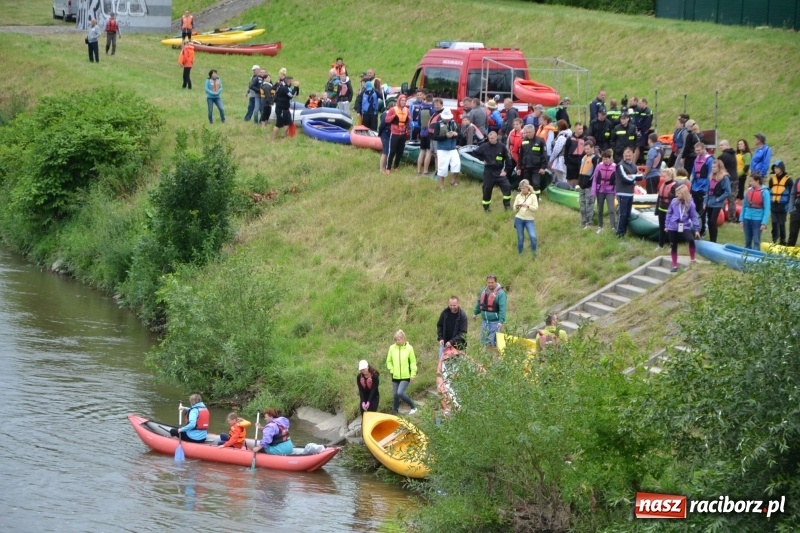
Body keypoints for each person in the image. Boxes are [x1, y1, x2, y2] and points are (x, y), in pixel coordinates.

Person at [473, 131, 514, 211]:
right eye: (489, 138)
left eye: (492, 138)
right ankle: (486, 208)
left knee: (507, 187)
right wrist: (482, 159)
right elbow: (475, 153)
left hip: (499, 171)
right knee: (486, 190)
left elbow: (508, 159)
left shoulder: (502, 147)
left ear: (496, 138)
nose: (490, 140)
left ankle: (507, 205)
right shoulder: (484, 146)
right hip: (488, 171)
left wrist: (506, 171)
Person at [665, 185, 701, 272]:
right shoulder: (674, 201)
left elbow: (694, 217)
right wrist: (666, 225)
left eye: (679, 193)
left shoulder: (690, 204)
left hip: (684, 225)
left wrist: (696, 229)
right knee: (673, 245)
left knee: (691, 240)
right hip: (672, 226)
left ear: (684, 193)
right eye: (676, 193)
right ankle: (674, 265)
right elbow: (669, 213)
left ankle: (692, 259)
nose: (677, 195)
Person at [386, 330, 417, 415]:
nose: (398, 341)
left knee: (400, 393)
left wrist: (412, 374)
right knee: (395, 395)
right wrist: (392, 370)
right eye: (396, 340)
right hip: (395, 376)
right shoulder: (392, 348)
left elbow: (413, 362)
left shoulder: (409, 348)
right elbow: (388, 361)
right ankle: (395, 412)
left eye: (399, 339)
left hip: (405, 376)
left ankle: (413, 407)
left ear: (403, 338)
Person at [473, 274, 507, 351]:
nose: (490, 284)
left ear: (496, 282)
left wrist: (501, 321)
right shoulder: (483, 291)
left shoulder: (501, 293)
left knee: (493, 343)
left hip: (495, 323)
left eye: (492, 282)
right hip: (485, 322)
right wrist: (475, 313)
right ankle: (486, 360)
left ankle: (495, 360)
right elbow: (479, 303)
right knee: (483, 342)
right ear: (486, 282)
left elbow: (502, 308)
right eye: (489, 282)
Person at [741, 172, 771, 250]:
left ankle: (755, 258)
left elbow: (767, 208)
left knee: (756, 240)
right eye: (750, 181)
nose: (750, 183)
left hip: (757, 219)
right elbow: (744, 206)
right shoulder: (748, 191)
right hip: (747, 218)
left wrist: (764, 223)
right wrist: (741, 219)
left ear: (757, 181)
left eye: (752, 181)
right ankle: (746, 256)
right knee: (747, 240)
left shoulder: (765, 192)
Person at [432, 107, 460, 190]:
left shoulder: (454, 124)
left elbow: (461, 135)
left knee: (457, 165)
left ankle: (453, 181)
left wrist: (456, 134)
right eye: (446, 118)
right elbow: (435, 137)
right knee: (442, 168)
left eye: (448, 118)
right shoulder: (438, 124)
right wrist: (445, 136)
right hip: (442, 149)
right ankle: (441, 186)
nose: (447, 120)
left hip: (453, 148)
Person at [705, 159, 731, 243]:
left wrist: (719, 199)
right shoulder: (711, 176)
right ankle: (711, 239)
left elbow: (728, 191)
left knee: (713, 221)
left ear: (719, 167)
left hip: (717, 203)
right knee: (709, 222)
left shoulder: (724, 177)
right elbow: (708, 191)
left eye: (714, 167)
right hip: (709, 201)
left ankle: (714, 241)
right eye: (712, 167)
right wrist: (705, 202)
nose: (713, 169)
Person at [615, 147, 640, 237]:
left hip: (630, 193)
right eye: (626, 155)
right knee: (623, 214)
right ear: (623, 155)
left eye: (629, 155)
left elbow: (640, 176)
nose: (628, 157)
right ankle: (619, 233)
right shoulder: (620, 165)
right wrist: (633, 179)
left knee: (628, 214)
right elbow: (624, 178)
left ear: (632, 155)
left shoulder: (633, 165)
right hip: (622, 193)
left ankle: (624, 232)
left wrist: (631, 176)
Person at [690, 141, 714, 237]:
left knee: (702, 211)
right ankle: (696, 228)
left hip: (704, 187)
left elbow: (710, 175)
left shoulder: (709, 160)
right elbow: (693, 172)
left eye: (699, 150)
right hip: (695, 187)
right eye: (696, 151)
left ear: (704, 149)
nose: (697, 152)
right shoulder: (696, 159)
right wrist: (691, 184)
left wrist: (708, 188)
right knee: (694, 209)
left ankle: (703, 229)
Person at [517, 124, 547, 197]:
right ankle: (527, 198)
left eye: (529, 132)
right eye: (526, 132)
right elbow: (520, 156)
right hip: (526, 167)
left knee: (536, 184)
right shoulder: (524, 141)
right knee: (526, 184)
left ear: (534, 131)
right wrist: (518, 167)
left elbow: (544, 155)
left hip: (537, 167)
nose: (527, 134)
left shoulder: (540, 141)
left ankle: (536, 199)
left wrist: (543, 167)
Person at [591, 149, 617, 234]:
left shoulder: (615, 167)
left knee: (611, 210)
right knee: (600, 209)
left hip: (610, 191)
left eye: (606, 159)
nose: (605, 161)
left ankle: (613, 227)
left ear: (610, 158)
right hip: (600, 190)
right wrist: (594, 191)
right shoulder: (599, 166)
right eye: (603, 159)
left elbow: (617, 181)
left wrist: (616, 193)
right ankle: (600, 226)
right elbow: (595, 179)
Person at [384, 94, 410, 174]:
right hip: (395, 132)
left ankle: (396, 166)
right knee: (392, 151)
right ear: (399, 101)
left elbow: (409, 120)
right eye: (402, 100)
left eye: (405, 100)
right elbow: (386, 120)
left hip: (403, 133)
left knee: (400, 151)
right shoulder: (393, 109)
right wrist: (393, 117)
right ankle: (388, 168)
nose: (404, 102)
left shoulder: (407, 110)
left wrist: (409, 125)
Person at [768, 161, 793, 245]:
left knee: (782, 224)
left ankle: (783, 240)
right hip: (774, 205)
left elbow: (791, 194)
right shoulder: (772, 180)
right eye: (774, 168)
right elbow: (769, 192)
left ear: (781, 169)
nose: (775, 169)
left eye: (777, 168)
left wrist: (790, 206)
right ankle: (774, 239)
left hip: (783, 206)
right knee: (774, 223)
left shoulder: (789, 180)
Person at [513, 179, 539, 256]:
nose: (522, 190)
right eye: (521, 188)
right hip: (519, 219)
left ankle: (534, 252)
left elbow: (535, 208)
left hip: (529, 220)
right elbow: (514, 208)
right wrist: (517, 207)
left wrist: (527, 206)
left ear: (528, 187)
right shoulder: (518, 196)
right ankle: (520, 254)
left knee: (533, 236)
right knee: (520, 237)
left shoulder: (533, 196)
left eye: (524, 188)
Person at [656, 167, 680, 250]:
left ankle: (672, 245)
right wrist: (657, 210)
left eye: (664, 176)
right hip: (661, 209)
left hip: (670, 211)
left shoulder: (675, 186)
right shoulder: (663, 184)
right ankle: (660, 245)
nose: (663, 178)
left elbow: (677, 199)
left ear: (670, 176)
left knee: (671, 229)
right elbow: (659, 198)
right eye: (663, 176)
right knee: (661, 228)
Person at [578, 139, 598, 229]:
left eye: (588, 149)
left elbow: (595, 173)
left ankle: (589, 223)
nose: (586, 151)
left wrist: (590, 183)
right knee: (582, 205)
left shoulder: (595, 158)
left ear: (592, 148)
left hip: (589, 185)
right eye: (585, 149)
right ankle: (583, 221)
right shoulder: (584, 157)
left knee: (589, 205)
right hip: (582, 184)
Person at [272, 70, 299, 139]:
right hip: (280, 108)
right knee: (279, 123)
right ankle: (273, 138)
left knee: (288, 122)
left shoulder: (288, 87)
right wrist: (295, 87)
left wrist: (297, 88)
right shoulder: (284, 88)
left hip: (286, 108)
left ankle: (283, 136)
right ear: (288, 81)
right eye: (292, 81)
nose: (293, 82)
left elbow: (295, 94)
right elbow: (291, 95)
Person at [717, 140, 739, 221]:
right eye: (719, 145)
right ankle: (732, 217)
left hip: (727, 179)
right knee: (732, 199)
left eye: (722, 145)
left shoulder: (724, 156)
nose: (720, 147)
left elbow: (717, 166)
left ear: (727, 145)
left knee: (723, 197)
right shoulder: (733, 154)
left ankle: (721, 215)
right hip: (735, 178)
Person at [549, 120, 571, 187]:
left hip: (561, 159)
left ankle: (564, 189)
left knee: (562, 177)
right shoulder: (569, 134)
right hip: (567, 158)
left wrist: (551, 159)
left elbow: (556, 150)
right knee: (564, 176)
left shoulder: (562, 137)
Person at [564, 122, 585, 188]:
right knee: (570, 178)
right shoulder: (570, 139)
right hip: (571, 162)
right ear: (575, 129)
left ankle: (577, 189)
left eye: (582, 129)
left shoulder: (585, 139)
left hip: (581, 162)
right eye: (579, 129)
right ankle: (569, 188)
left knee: (579, 178)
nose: (581, 130)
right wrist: (566, 161)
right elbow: (566, 151)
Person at [633, 98, 653, 164]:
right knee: (638, 147)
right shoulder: (642, 111)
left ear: (644, 103)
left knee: (638, 147)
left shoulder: (648, 112)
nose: (639, 105)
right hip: (641, 131)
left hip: (644, 133)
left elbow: (647, 123)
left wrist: (641, 130)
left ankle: (636, 162)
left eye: (640, 103)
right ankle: (638, 161)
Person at [735, 139, 752, 203]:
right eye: (738, 144)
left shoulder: (747, 154)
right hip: (736, 175)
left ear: (745, 145)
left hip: (741, 176)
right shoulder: (737, 154)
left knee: (740, 192)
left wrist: (739, 175)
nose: (739, 145)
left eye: (741, 144)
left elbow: (746, 166)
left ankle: (740, 204)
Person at [787, 175, 800, 246]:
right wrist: (791, 209)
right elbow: (792, 195)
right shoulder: (798, 180)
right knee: (792, 234)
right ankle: (789, 252)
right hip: (796, 210)